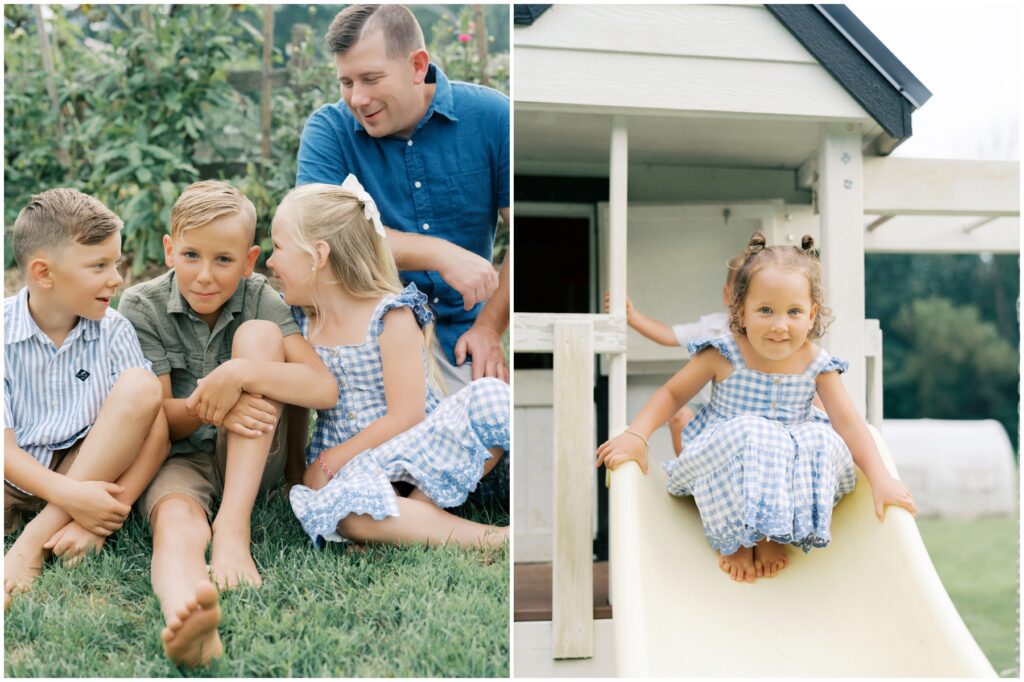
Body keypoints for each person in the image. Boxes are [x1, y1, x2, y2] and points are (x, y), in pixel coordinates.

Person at [596, 232, 916, 584]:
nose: (780, 325)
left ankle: (772, 534)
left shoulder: (817, 363)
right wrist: (637, 435)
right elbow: (673, 394)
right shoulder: (723, 352)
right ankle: (735, 536)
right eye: (765, 310)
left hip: (786, 465)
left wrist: (882, 478)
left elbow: (851, 424)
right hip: (727, 456)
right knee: (757, 431)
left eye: (794, 312)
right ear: (741, 312)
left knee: (821, 438)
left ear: (811, 316)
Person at [118, 181, 338, 666]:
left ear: (249, 260)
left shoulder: (260, 297)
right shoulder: (141, 306)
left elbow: (322, 388)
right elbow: (153, 420)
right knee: (174, 523)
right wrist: (214, 402)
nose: (204, 276)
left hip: (253, 453)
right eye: (191, 255)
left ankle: (233, 531)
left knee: (258, 336)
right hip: (175, 457)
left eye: (223, 260)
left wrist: (238, 374)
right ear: (170, 249)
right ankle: (187, 613)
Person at [267, 179, 509, 549]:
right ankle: (415, 523)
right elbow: (299, 403)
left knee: (491, 398)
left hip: (411, 448)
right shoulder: (300, 320)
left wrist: (330, 462)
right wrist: (297, 473)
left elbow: (407, 415)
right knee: (348, 511)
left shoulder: (389, 315)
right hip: (354, 469)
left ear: (317, 255)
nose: (270, 262)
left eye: (278, 248)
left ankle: (442, 524)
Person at [296, 4, 509, 392]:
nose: (358, 98)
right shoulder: (328, 130)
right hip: (364, 333)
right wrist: (440, 253)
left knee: (486, 430)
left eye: (371, 79)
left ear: (417, 66)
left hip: (458, 338)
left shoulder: (494, 116)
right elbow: (318, 237)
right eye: (346, 83)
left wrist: (489, 328)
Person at [3, 189, 169, 609]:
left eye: (115, 262)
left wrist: (109, 512)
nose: (117, 277)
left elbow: (157, 432)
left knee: (142, 385)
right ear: (44, 273)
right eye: (99, 266)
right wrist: (74, 499)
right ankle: (48, 518)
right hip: (15, 475)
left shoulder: (113, 329)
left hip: (90, 465)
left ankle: (31, 543)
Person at [604, 255, 743, 456]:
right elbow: (668, 335)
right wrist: (634, 318)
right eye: (740, 295)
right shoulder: (711, 327)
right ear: (727, 295)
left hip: (741, 414)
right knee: (680, 416)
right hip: (706, 406)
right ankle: (686, 469)